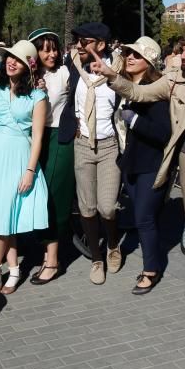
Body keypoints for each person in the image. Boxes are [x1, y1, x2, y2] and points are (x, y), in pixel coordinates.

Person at [93, 26, 185, 308]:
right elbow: (139, 92)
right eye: (181, 50)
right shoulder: (174, 80)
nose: (181, 55)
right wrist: (112, 77)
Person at [0, 40, 49, 294]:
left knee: (2, 217)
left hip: (19, 156)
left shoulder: (38, 96)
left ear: (29, 65)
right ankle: (15, 270)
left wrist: (30, 170)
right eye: (9, 57)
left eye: (17, 59)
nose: (10, 61)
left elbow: (38, 138)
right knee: (3, 214)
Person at [63, 22, 124, 285]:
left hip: (109, 145)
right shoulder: (74, 66)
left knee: (107, 207)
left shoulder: (118, 69)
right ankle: (96, 258)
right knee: (87, 207)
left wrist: (113, 76)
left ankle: (112, 244)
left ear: (100, 45)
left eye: (84, 41)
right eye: (77, 41)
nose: (78, 45)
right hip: (82, 144)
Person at [114, 37, 171, 295]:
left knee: (144, 218)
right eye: (128, 52)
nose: (130, 57)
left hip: (151, 163)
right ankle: (154, 260)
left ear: (149, 61)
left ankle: (151, 269)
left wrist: (134, 120)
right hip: (129, 162)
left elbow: (163, 133)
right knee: (142, 217)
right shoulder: (123, 86)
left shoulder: (156, 89)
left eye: (136, 55)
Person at [28, 28, 74, 286]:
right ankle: (44, 250)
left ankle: (53, 260)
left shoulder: (64, 73)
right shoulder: (26, 76)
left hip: (58, 139)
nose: (52, 54)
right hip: (32, 140)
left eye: (54, 48)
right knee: (35, 197)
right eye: (45, 48)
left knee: (53, 197)